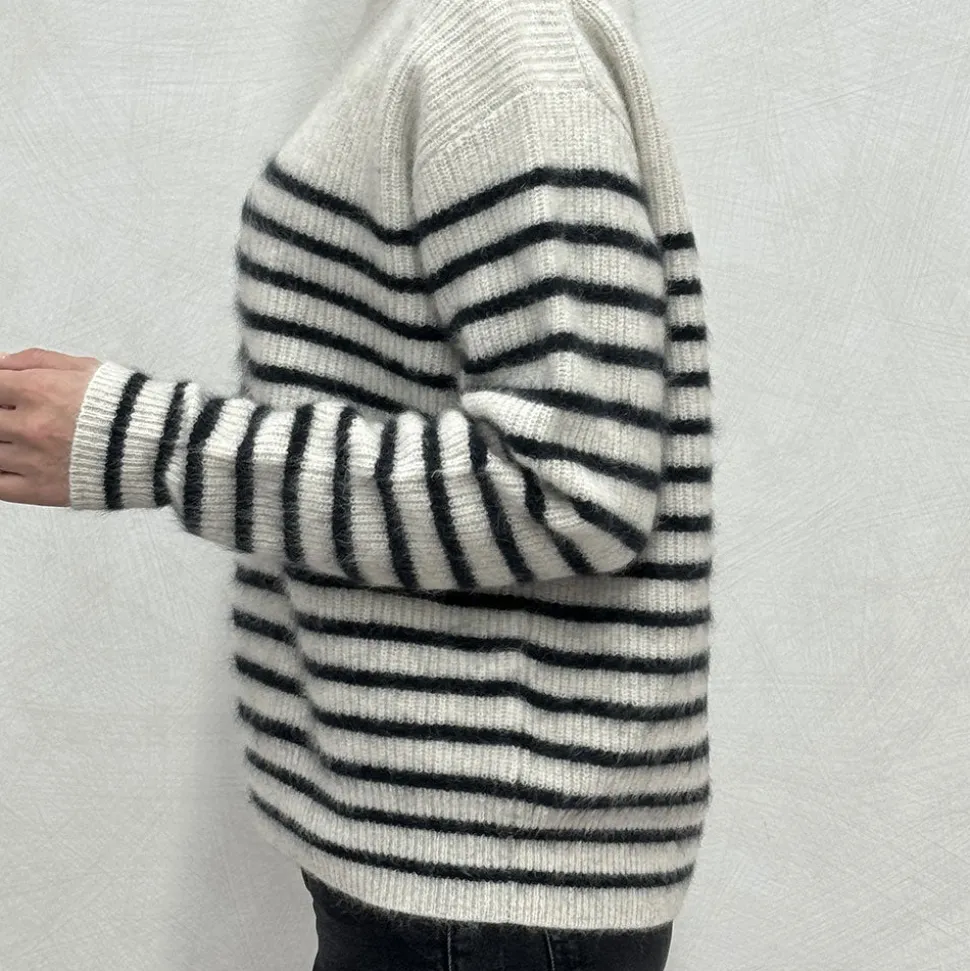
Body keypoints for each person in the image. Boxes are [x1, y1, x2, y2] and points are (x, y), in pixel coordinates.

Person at [0, 0, 713, 967]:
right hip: (449, 867)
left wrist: (156, 441)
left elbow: (578, 485)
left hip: (485, 887)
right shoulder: (447, 34)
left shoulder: (505, 42)